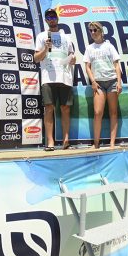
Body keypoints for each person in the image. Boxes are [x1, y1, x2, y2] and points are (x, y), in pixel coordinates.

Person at [34, 8, 77, 151]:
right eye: (48, 17)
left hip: (65, 77)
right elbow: (36, 58)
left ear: (57, 19)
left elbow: (72, 55)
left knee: (65, 109)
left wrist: (72, 59)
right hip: (48, 78)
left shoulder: (67, 37)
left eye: (53, 16)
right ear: (46, 20)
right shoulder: (41, 36)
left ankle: (66, 141)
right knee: (49, 108)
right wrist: (46, 49)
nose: (51, 19)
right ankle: (50, 141)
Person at [83, 21, 122, 149]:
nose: (93, 33)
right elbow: (87, 67)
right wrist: (93, 82)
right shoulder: (89, 48)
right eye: (91, 31)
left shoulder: (109, 46)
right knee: (97, 112)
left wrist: (119, 82)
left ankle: (112, 143)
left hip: (112, 81)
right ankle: (96, 144)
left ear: (101, 31)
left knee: (113, 112)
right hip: (98, 83)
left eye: (95, 30)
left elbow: (117, 65)